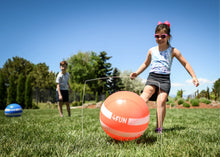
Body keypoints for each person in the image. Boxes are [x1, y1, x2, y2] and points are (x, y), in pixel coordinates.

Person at [130, 21, 199, 133]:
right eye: (157, 36)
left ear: (168, 37)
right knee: (145, 96)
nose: (160, 38)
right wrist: (136, 73)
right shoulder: (151, 50)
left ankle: (159, 128)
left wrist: (194, 76)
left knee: (161, 101)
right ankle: (132, 120)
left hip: (165, 79)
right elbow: (145, 64)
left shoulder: (173, 51)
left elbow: (185, 63)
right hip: (152, 76)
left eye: (163, 36)